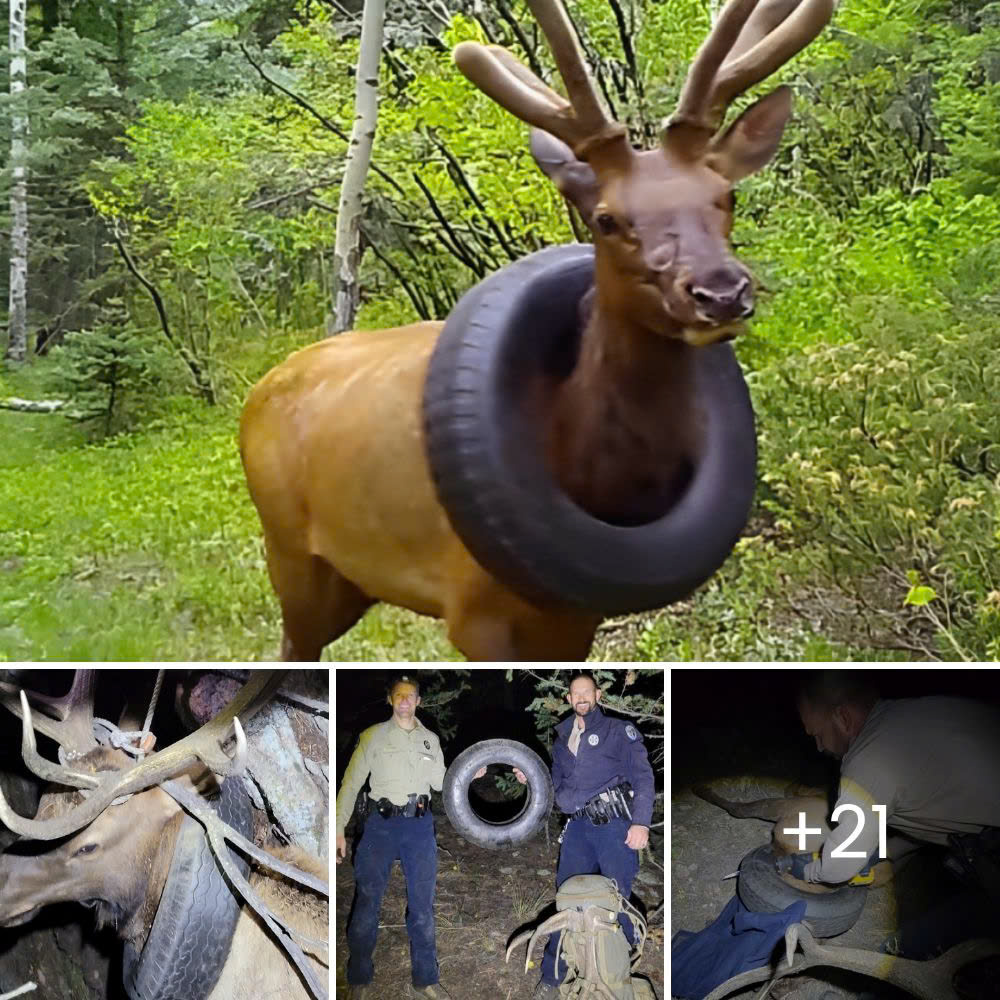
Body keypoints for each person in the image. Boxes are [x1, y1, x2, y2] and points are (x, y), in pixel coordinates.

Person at [794, 671, 1000, 963]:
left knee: (899, 957)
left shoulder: (867, 761)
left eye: (818, 734)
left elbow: (839, 867)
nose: (819, 747)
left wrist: (810, 871)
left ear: (843, 718)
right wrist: (891, 853)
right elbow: (933, 805)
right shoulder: (916, 712)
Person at [526, 671, 656, 1000]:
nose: (581, 698)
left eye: (587, 692)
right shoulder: (562, 737)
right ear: (569, 699)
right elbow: (556, 788)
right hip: (578, 829)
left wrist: (641, 822)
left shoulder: (617, 731)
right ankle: (553, 976)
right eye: (575, 693)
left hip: (615, 826)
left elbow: (643, 776)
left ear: (598, 695)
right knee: (566, 899)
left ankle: (619, 974)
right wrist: (530, 778)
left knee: (619, 900)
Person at [335, 675, 454, 1000]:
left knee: (422, 907)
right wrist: (337, 828)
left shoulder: (430, 739)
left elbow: (445, 783)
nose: (404, 700)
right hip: (380, 826)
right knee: (367, 901)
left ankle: (424, 979)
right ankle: (358, 977)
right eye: (399, 695)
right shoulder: (372, 736)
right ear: (391, 700)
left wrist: (471, 772)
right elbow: (350, 783)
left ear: (418, 701)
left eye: (410, 695)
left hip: (419, 827)